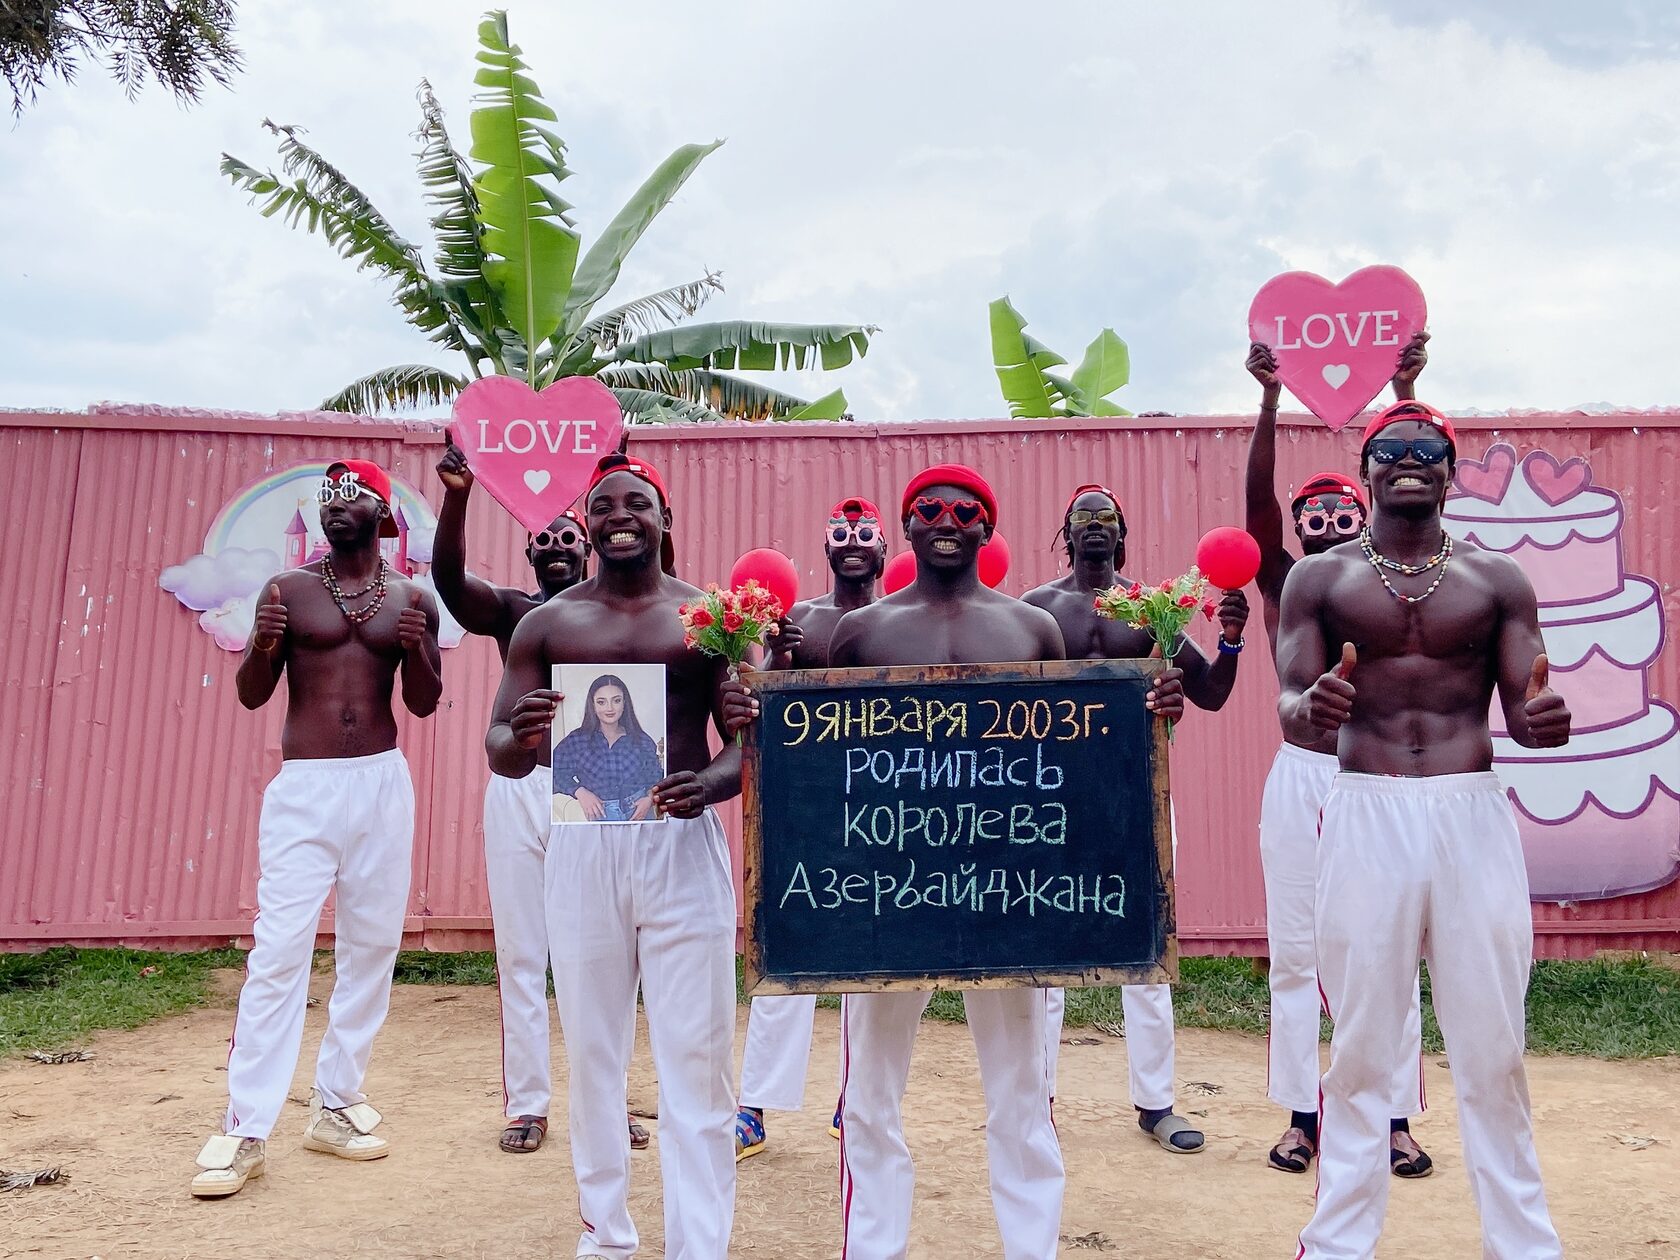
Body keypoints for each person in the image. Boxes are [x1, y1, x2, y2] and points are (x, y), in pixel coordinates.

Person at [725, 464, 1184, 1260]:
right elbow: (819, 753)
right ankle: (873, 1246)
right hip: (884, 892)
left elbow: (1071, 752)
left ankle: (1030, 1245)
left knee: (1020, 1093)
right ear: (908, 526)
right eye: (929, 508)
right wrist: (758, 692)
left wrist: (1152, 714)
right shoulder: (860, 634)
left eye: (964, 509)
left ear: (986, 527)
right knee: (869, 1093)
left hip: (1009, 891)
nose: (947, 518)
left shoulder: (1031, 630)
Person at [1277, 400, 1570, 1259]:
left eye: (1427, 450)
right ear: (1367, 468)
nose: (1410, 461)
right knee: (1364, 1046)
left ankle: (1522, 1245)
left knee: (1492, 1045)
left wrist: (1543, 718)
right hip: (1366, 807)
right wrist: (1313, 704)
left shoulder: (1497, 579)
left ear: (1450, 468)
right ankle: (1337, 1244)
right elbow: (1294, 712)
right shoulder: (1320, 580)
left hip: (1469, 812)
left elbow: (1524, 710)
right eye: (1392, 450)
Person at [487, 452, 742, 1260]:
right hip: (583, 850)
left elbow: (751, 742)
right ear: (587, 524)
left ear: (665, 520)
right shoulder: (549, 623)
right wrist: (521, 735)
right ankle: (606, 1236)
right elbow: (500, 747)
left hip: (680, 846)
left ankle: (699, 1242)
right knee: (595, 1051)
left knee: (697, 1058)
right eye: (603, 506)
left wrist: (710, 783)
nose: (620, 515)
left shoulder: (710, 617)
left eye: (638, 503)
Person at [190, 458, 442, 1199]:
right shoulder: (288, 590)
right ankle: (244, 1128)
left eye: (350, 495)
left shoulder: (408, 594)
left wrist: (420, 642)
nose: (334, 506)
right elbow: (249, 695)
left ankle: (337, 1102)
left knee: (373, 946)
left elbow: (425, 703)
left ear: (382, 511)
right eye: (325, 497)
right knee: (278, 949)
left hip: (381, 783)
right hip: (305, 788)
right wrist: (265, 644)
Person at [1244, 334, 1435, 1178]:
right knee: (1296, 949)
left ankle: (1394, 1117)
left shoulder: (1403, 576)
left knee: (1391, 948)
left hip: (1379, 779)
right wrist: (1269, 403)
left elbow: (1427, 475)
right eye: (1309, 516)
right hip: (1301, 779)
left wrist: (1405, 389)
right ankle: (1303, 1114)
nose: (1325, 525)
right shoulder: (1291, 585)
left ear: (1366, 512)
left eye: (1339, 512)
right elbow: (1254, 520)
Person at [433, 444, 651, 1155]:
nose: (557, 545)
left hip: (594, 789)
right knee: (524, 951)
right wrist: (460, 496)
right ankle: (527, 1103)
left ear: (586, 539)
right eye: (544, 538)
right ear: (530, 550)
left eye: (568, 533)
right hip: (520, 787)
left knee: (603, 954)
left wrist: (620, 469)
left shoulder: (622, 612)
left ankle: (608, 1101)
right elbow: (446, 580)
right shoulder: (514, 614)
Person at [1021, 484, 1248, 1155]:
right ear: (1066, 531)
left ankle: (1156, 1104)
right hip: (1052, 797)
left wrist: (1229, 642)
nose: (1095, 526)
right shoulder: (1035, 609)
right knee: (1048, 953)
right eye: (1083, 517)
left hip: (1137, 794)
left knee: (1146, 950)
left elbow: (1206, 694)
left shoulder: (1154, 609)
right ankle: (1036, 1101)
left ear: (1122, 532)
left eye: (1107, 517)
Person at [734, 495, 886, 1161]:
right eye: (842, 533)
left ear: (883, 548)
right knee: (788, 950)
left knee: (872, 956)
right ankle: (754, 1106)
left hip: (886, 809)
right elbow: (756, 705)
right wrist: (782, 661)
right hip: (811, 804)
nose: (853, 542)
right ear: (827, 548)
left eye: (865, 533)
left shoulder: (902, 622)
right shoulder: (799, 621)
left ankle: (859, 1100)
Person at [552, 673, 666, 822]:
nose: (610, 708)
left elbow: (657, 777)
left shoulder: (642, 740)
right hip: (597, 815)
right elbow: (554, 773)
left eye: (616, 700)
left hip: (640, 813)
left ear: (624, 703)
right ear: (592, 705)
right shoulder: (577, 741)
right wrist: (580, 791)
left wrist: (649, 800)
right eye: (601, 702)